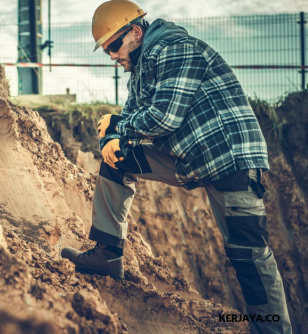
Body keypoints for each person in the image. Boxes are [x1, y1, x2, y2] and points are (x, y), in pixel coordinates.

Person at [60, 0, 292, 332]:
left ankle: (273, 329)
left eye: (113, 45)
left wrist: (117, 126)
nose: (111, 55)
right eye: (105, 50)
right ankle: (108, 256)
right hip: (190, 159)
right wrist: (114, 138)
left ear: (136, 32)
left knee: (248, 253)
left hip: (230, 158)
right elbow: (133, 120)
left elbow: (163, 119)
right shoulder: (140, 71)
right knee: (116, 160)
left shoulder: (174, 48)